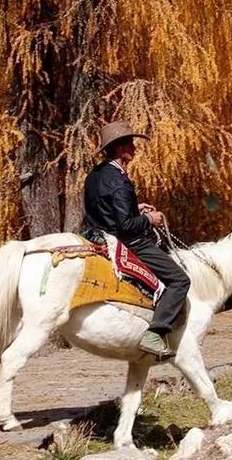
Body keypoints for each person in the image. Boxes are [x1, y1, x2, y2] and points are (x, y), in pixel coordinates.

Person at [83, 119, 191, 361]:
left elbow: (104, 207)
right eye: (130, 143)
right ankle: (155, 333)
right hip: (126, 241)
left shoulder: (95, 175)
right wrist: (150, 219)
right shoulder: (120, 181)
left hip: (95, 233)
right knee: (179, 280)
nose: (134, 147)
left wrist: (135, 207)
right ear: (120, 149)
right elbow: (126, 226)